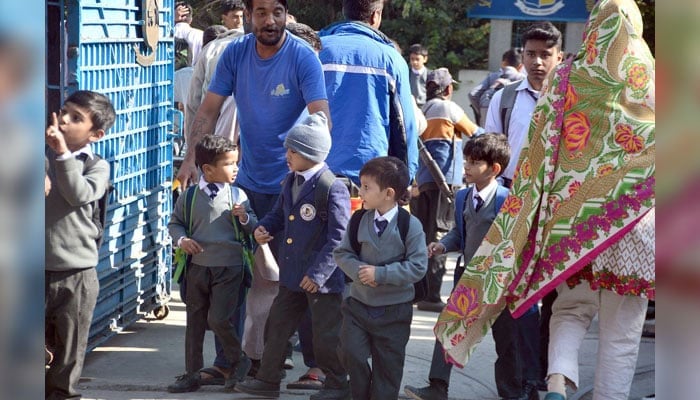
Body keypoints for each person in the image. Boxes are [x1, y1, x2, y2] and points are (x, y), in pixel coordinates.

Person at [432, 1, 654, 399]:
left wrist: (530, 214)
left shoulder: (567, 76)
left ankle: (557, 384)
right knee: (621, 335)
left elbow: (539, 151)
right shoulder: (654, 81)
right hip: (635, 225)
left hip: (574, 221)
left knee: (570, 311)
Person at [178, 0, 330, 382]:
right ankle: (230, 361)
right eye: (261, 12)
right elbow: (209, 109)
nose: (270, 20)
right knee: (234, 272)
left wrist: (307, 169)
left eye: (277, 12)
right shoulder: (236, 53)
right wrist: (192, 159)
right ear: (248, 15)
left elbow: (320, 114)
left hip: (291, 187)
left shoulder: (302, 58)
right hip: (244, 180)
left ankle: (317, 363)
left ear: (285, 14)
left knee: (294, 276)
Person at [234, 111, 351, 400]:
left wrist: (318, 274)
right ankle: (268, 379)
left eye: (293, 150)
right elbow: (278, 215)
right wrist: (262, 228)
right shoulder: (290, 181)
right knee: (277, 327)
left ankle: (337, 384)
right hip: (291, 273)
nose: (287, 154)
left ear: (311, 152)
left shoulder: (331, 187)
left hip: (319, 280)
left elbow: (339, 238)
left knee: (325, 335)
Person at [404, 133, 512, 400]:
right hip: (467, 276)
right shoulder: (462, 196)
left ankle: (514, 390)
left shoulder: (507, 199)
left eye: (474, 162)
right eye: (466, 160)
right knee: (449, 328)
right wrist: (442, 245)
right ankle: (438, 386)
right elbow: (459, 233)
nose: (466, 167)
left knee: (507, 337)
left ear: (494, 169)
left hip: (498, 280)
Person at [167, 134, 257, 393]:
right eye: (229, 164)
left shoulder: (239, 195)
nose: (236, 168)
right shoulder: (190, 196)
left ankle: (239, 360)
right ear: (207, 169)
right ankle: (192, 374)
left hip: (229, 268)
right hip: (198, 267)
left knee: (218, 318)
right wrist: (182, 240)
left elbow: (254, 226)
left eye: (236, 163)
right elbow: (175, 224)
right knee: (194, 322)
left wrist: (244, 219)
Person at [333, 156, 428, 400]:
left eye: (366, 187)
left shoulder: (410, 225)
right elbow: (342, 253)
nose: (360, 192)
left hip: (394, 310)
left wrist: (381, 274)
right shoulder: (358, 220)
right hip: (358, 305)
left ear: (388, 193)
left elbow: (418, 267)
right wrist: (360, 272)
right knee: (350, 353)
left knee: (388, 369)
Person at [45, 90, 115, 400]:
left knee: (69, 353)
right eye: (63, 112)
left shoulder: (96, 167)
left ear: (96, 134)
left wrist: (61, 155)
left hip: (77, 272)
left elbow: (77, 194)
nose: (64, 120)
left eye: (76, 118)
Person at [319, 0, 418, 187]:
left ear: (344, 11)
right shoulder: (391, 60)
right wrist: (406, 177)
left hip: (314, 175)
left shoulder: (314, 51)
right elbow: (404, 128)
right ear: (376, 16)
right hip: (370, 181)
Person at [412, 67, 483, 313]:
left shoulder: (421, 111)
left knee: (421, 237)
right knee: (440, 238)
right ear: (449, 89)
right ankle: (432, 296)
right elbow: (477, 134)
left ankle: (417, 291)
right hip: (445, 185)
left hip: (422, 184)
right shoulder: (449, 108)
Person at [468, 48, 525, 126]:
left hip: (486, 108)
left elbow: (473, 94)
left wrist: (481, 111)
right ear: (520, 66)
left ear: (503, 63)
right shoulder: (522, 78)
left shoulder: (493, 76)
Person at [408, 43, 430, 108]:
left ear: (425, 59)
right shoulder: (406, 73)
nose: (414, 62)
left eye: (417, 59)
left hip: (425, 106)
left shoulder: (430, 75)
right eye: (412, 59)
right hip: (410, 106)